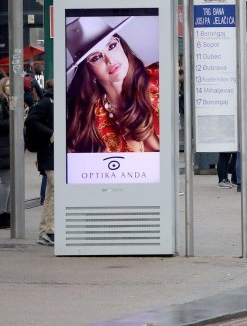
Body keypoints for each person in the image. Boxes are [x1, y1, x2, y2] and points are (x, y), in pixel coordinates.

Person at [65, 17, 159, 153]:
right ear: (88, 72)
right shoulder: (87, 120)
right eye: (96, 57)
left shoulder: (158, 78)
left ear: (122, 46)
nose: (110, 60)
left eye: (111, 46)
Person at [26, 79, 54, 245]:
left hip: (51, 153)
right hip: (48, 153)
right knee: (57, 193)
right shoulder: (47, 102)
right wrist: (51, 133)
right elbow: (30, 120)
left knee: (51, 194)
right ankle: (49, 231)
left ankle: (45, 231)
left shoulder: (52, 101)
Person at [0, 78, 10, 228]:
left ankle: (7, 213)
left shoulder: (7, 103)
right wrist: (13, 121)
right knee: (6, 184)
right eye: (8, 85)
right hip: (3, 148)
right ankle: (3, 214)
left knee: (9, 184)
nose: (10, 87)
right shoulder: (2, 105)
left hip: (7, 147)